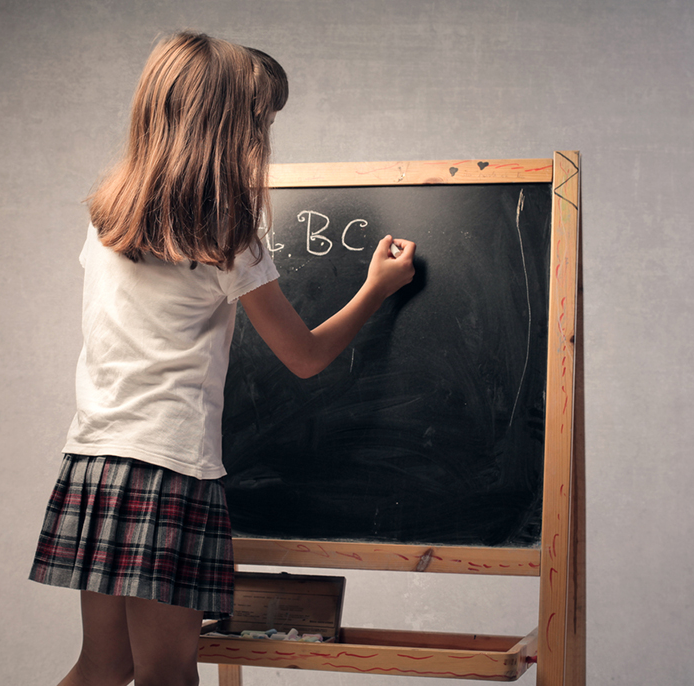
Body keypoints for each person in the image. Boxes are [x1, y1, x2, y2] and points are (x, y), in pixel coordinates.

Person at [29, 30, 415, 686]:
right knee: (169, 675)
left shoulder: (107, 216)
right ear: (230, 126)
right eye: (259, 120)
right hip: (166, 473)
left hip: (94, 461)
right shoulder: (227, 233)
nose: (264, 134)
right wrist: (377, 288)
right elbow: (304, 356)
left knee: (103, 666)